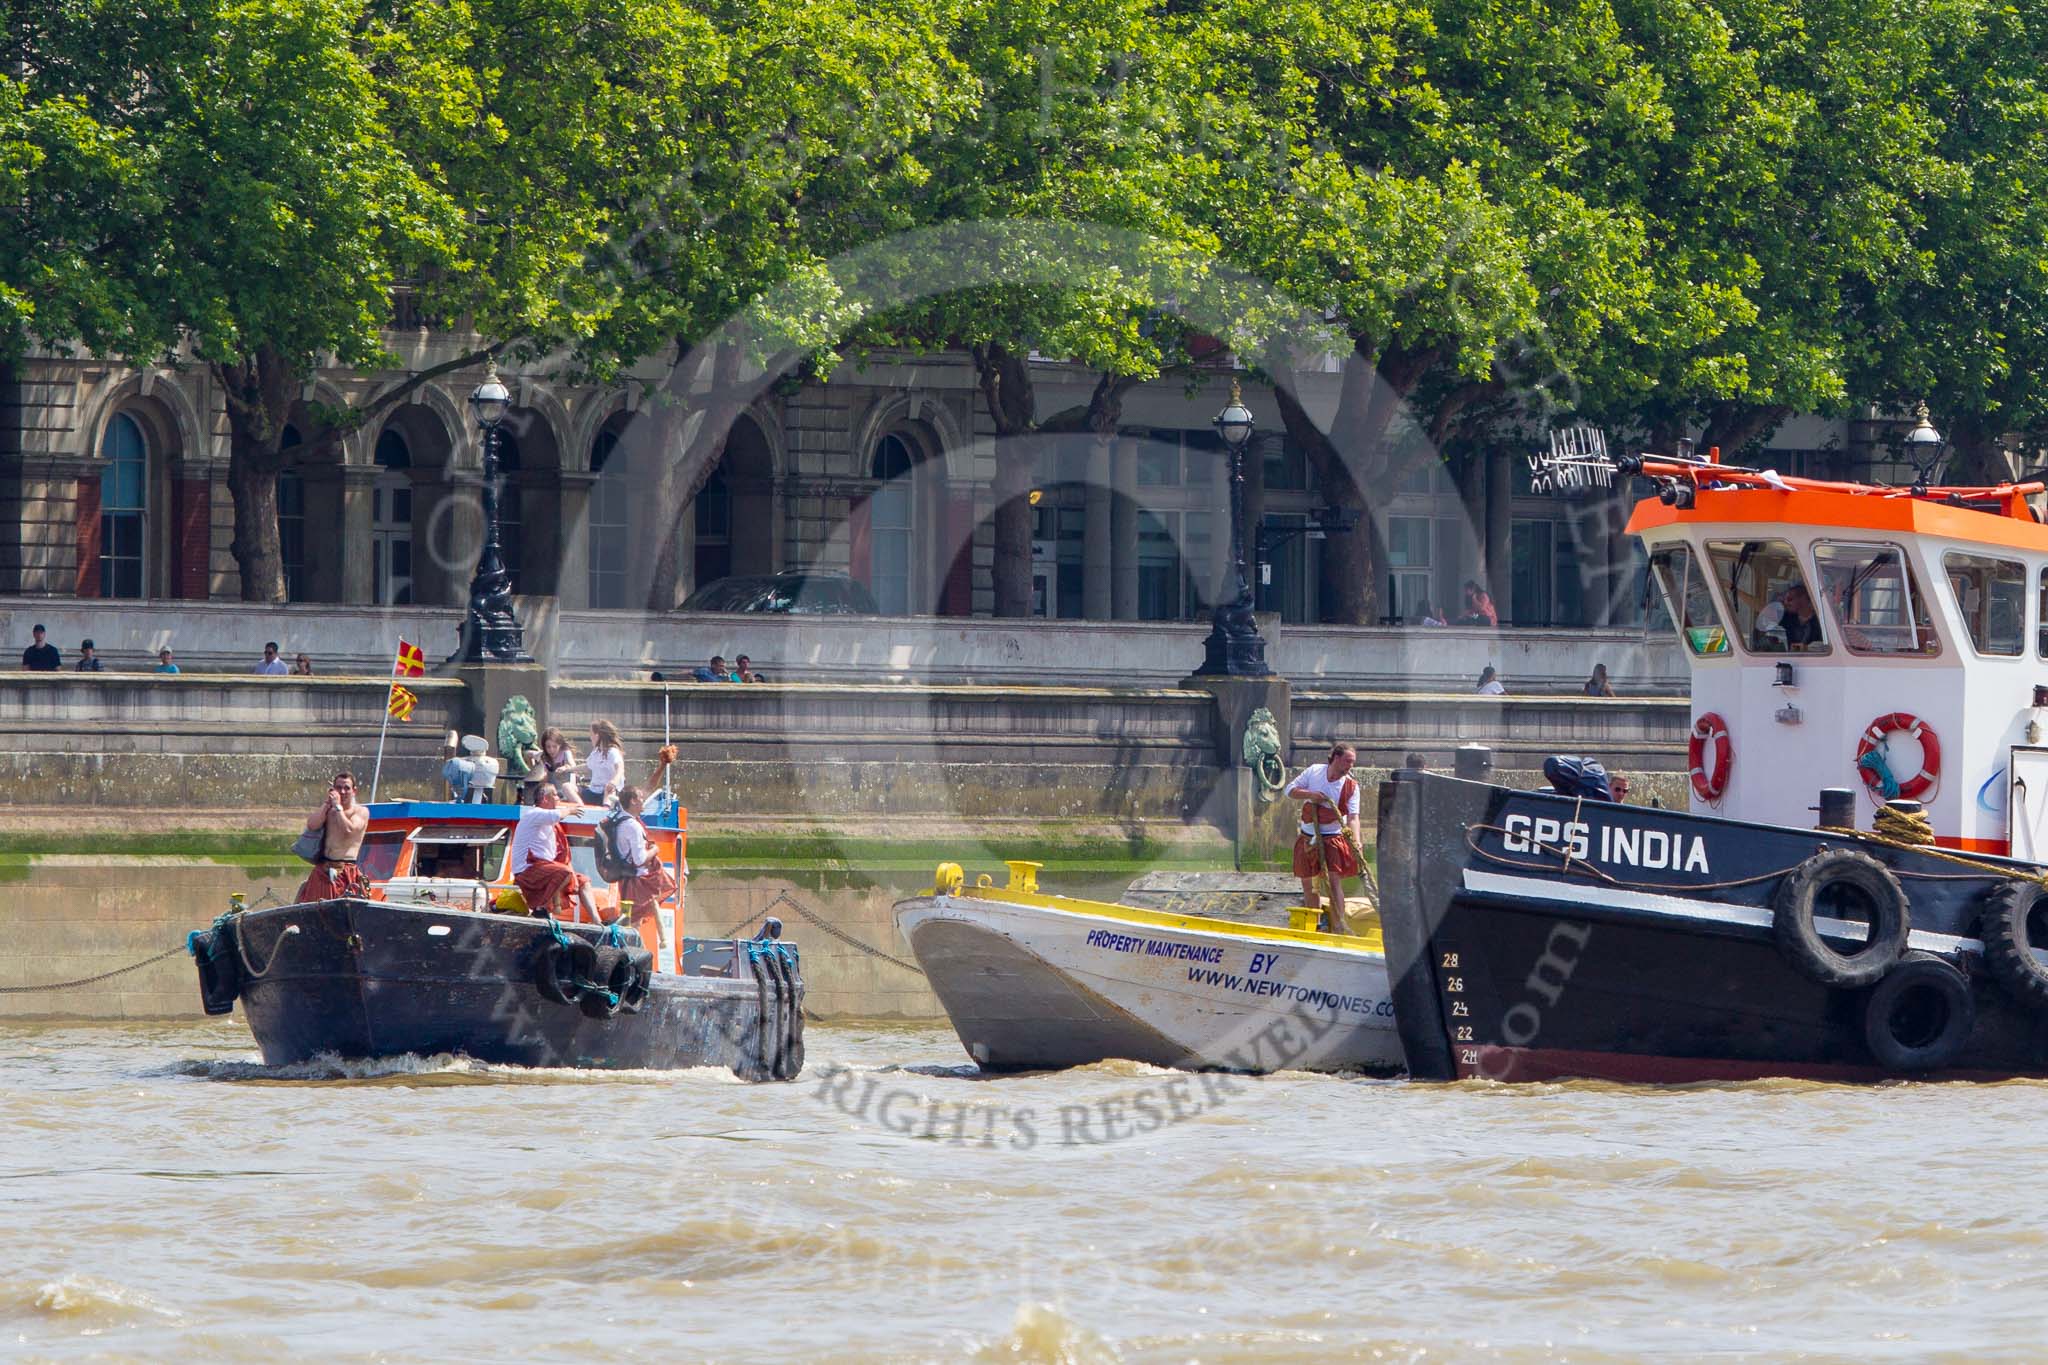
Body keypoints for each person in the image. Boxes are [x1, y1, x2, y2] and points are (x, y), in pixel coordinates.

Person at [1286, 742, 1365, 935]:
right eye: (1348, 761)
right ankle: (1315, 922)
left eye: (1353, 763)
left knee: (1334, 881)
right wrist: (1311, 794)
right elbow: (1289, 790)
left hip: (1333, 837)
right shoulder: (1314, 772)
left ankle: (1339, 925)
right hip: (1308, 835)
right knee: (1307, 882)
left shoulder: (1351, 786)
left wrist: (1356, 841)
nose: (1350, 766)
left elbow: (1353, 818)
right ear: (1336, 758)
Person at [608, 784, 678, 954]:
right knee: (633, 923)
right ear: (632, 801)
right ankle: (636, 959)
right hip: (638, 882)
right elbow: (639, 860)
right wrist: (654, 850)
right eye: (640, 798)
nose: (643, 801)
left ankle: (632, 957)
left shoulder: (618, 820)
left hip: (627, 881)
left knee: (630, 921)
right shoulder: (632, 826)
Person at [510, 787, 597, 920]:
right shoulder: (534, 814)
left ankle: (598, 923)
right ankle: (541, 908)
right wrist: (570, 810)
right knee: (564, 872)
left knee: (583, 881)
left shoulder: (551, 825)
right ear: (545, 798)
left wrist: (574, 876)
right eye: (555, 795)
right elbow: (558, 814)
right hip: (527, 869)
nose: (559, 799)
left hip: (546, 868)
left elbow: (561, 855)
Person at [296, 771, 370, 901]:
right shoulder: (328, 810)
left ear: (354, 791)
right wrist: (326, 804)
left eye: (346, 788)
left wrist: (338, 807)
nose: (342, 792)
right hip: (322, 870)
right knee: (312, 911)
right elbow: (312, 825)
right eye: (339, 788)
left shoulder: (361, 812)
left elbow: (348, 830)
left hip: (345, 871)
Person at [1755, 583, 1823, 650]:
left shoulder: (1821, 620)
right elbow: (1764, 609)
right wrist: (1743, 595)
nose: (1786, 602)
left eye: (1789, 599)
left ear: (1803, 599)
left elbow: (1829, 646)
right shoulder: (1789, 618)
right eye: (1785, 599)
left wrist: (1808, 648)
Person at [582, 719, 626, 805]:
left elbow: (620, 768)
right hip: (594, 792)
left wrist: (614, 782)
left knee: (608, 788)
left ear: (597, 736)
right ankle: (580, 808)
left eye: (591, 734)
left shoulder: (613, 752)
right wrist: (568, 769)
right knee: (567, 787)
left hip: (607, 792)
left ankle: (605, 809)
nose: (590, 737)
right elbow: (587, 766)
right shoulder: (596, 752)